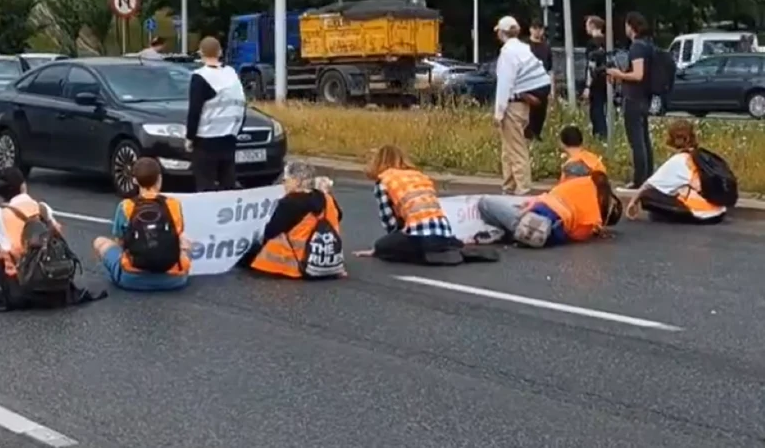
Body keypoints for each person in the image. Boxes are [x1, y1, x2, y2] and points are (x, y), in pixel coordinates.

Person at [0, 168, 104, 311]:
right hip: (52, 275)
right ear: (23, 186)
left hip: (23, 282)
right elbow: (58, 232)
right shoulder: (42, 208)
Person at [354, 145, 485, 265]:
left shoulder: (384, 181)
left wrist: (381, 248)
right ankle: (452, 247)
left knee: (382, 246)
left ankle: (426, 254)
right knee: (436, 241)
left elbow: (390, 223)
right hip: (445, 234)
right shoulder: (420, 176)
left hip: (421, 238)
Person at [92, 157, 191, 291]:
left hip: (131, 279)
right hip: (175, 280)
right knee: (185, 241)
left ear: (134, 180)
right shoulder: (173, 204)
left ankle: (119, 274)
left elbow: (120, 242)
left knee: (100, 242)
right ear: (159, 178)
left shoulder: (125, 206)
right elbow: (177, 235)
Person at [240, 159, 347, 280]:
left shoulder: (290, 202)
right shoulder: (326, 198)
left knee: (249, 253)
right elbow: (338, 216)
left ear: (297, 182)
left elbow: (270, 231)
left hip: (295, 265)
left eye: (286, 180)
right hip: (326, 261)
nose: (284, 183)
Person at [477, 172, 621, 248]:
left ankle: (515, 230)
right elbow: (575, 235)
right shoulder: (594, 220)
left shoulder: (584, 183)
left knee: (484, 203)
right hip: (553, 233)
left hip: (539, 217)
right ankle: (517, 233)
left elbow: (550, 196)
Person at [625, 120, 729, 224]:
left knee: (647, 194)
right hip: (719, 212)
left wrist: (633, 202)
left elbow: (649, 185)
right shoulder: (700, 156)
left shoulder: (678, 160)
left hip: (703, 214)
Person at [492, 16, 551, 195]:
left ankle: (523, 189)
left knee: (516, 149)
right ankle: (508, 186)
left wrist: (498, 112)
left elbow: (505, 84)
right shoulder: (524, 49)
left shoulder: (508, 53)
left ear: (502, 33)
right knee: (508, 148)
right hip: (523, 104)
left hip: (512, 105)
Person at [186, 36, 246, 192]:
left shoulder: (200, 77)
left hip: (206, 142)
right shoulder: (231, 74)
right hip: (228, 139)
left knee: (206, 187)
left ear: (201, 53)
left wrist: (190, 137)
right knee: (228, 185)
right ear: (220, 52)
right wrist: (235, 132)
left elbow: (195, 111)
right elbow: (241, 106)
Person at [607, 12, 655, 187]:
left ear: (631, 26)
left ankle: (639, 180)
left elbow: (638, 74)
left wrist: (618, 74)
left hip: (634, 98)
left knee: (637, 141)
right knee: (644, 139)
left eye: (626, 25)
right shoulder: (649, 45)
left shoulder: (637, 47)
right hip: (645, 97)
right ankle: (648, 176)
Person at [525, 21, 554, 141]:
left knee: (541, 112)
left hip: (542, 84)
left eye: (540, 28)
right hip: (528, 83)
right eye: (535, 28)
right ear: (530, 29)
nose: (537, 31)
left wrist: (552, 89)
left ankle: (536, 134)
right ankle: (528, 134)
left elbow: (550, 69)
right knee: (528, 111)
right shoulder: (526, 46)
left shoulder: (546, 47)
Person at [582, 16, 610, 140]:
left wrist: (587, 86)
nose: (586, 28)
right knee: (602, 108)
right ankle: (604, 134)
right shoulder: (607, 42)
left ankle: (600, 135)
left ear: (592, 26)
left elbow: (591, 66)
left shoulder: (592, 44)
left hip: (595, 81)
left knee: (595, 110)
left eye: (587, 25)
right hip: (607, 79)